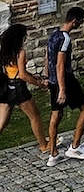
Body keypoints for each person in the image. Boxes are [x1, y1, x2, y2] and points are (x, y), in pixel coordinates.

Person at [46, 6, 84, 163]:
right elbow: (60, 64)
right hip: (66, 80)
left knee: (56, 115)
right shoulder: (65, 38)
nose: (80, 24)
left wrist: (48, 77)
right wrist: (63, 89)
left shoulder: (53, 34)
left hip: (53, 80)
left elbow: (48, 58)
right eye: (80, 21)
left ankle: (52, 154)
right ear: (74, 21)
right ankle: (75, 147)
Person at [1, 21, 52, 158]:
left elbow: (15, 71)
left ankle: (44, 143)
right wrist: (40, 84)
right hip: (19, 89)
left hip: (7, 88)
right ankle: (43, 144)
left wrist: (32, 75)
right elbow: (22, 75)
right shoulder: (20, 52)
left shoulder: (5, 51)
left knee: (2, 122)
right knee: (34, 116)